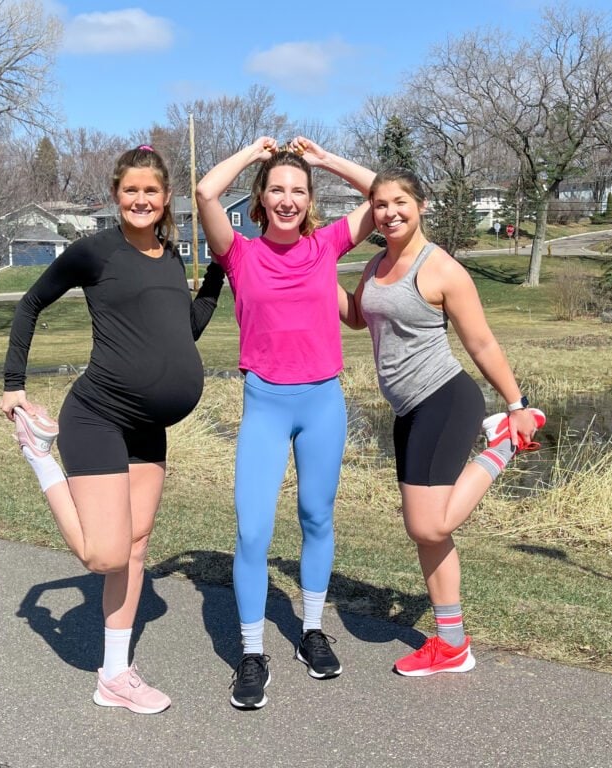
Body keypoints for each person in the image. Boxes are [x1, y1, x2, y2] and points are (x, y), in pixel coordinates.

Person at [0, 145, 225, 714]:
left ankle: (115, 675)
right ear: (116, 195)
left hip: (149, 426)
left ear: (165, 196)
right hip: (99, 415)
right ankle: (39, 456)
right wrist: (13, 382)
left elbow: (183, 330)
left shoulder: (173, 256)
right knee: (104, 557)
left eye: (151, 191)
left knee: (136, 549)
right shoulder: (94, 252)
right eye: (131, 191)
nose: (142, 200)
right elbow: (31, 304)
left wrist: (219, 271)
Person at [337, 168, 546, 677]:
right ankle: (451, 644)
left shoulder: (442, 270)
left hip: (446, 400)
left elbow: (481, 343)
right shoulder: (375, 266)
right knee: (428, 536)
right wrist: (315, 269)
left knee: (428, 522)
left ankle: (501, 444)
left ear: (422, 204)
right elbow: (358, 317)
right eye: (381, 204)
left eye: (401, 201)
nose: (390, 212)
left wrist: (516, 403)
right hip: (407, 409)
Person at [195, 136, 375, 709]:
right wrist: (254, 154)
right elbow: (203, 191)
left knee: (317, 518)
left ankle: (312, 630)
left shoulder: (327, 247)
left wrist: (323, 160)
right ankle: (251, 654)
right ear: (261, 197)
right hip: (266, 404)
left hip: (323, 402)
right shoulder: (240, 254)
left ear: (310, 199)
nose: (289, 199)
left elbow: (385, 194)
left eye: (298, 190)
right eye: (278, 188)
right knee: (252, 530)